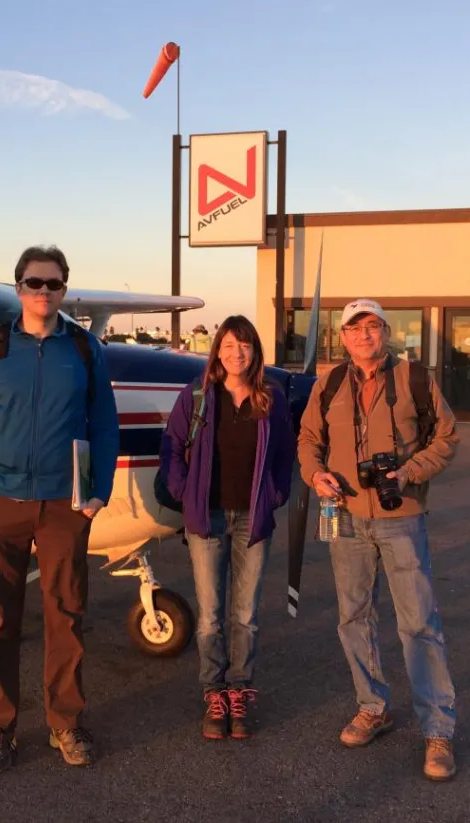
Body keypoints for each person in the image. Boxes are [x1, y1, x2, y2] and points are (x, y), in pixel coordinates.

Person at [0, 245, 120, 774]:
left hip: (63, 506)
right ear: (19, 288)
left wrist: (96, 494)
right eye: (33, 283)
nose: (42, 293)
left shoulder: (85, 349)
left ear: (64, 290)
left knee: (66, 617)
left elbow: (103, 424)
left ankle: (65, 723)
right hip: (1, 503)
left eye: (52, 284)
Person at [296, 299, 459, 781]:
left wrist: (409, 472)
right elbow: (308, 438)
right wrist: (316, 473)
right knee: (354, 616)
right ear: (342, 337)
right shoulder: (328, 385)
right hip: (345, 516)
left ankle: (438, 730)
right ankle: (373, 707)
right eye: (354, 328)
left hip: (401, 516)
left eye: (372, 326)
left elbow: (446, 437)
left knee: (418, 623)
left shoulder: (414, 379)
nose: (363, 335)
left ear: (385, 332)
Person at [159, 315, 296, 740]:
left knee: (246, 614)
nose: (238, 353)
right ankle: (213, 692)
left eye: (246, 345)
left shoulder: (269, 398)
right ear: (218, 350)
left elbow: (285, 454)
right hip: (208, 518)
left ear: (255, 352)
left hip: (251, 518)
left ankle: (240, 688)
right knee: (210, 616)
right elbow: (172, 447)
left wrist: (275, 494)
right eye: (230, 345)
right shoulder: (197, 396)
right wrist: (184, 492)